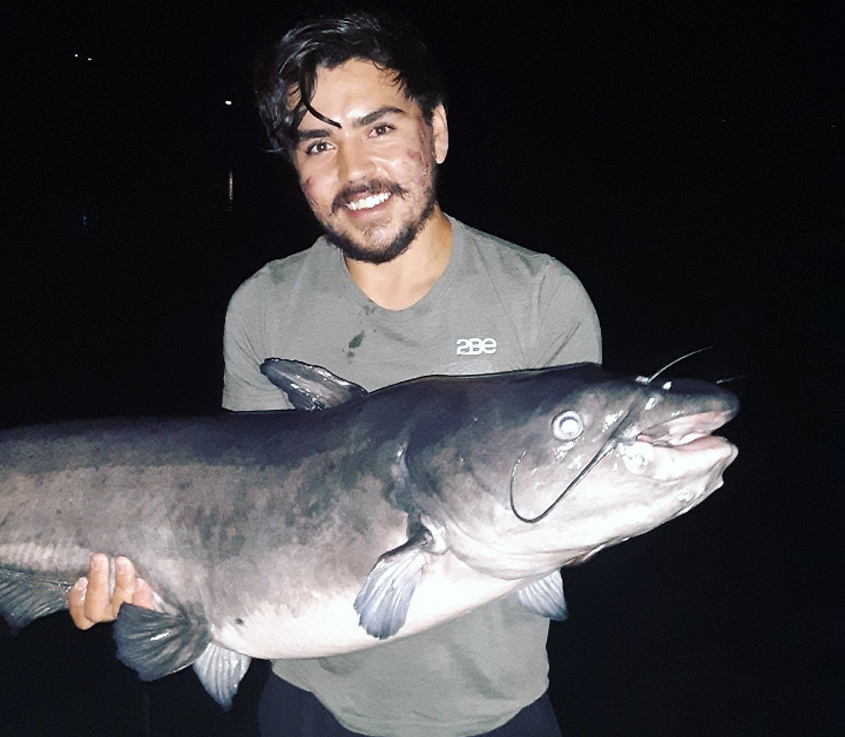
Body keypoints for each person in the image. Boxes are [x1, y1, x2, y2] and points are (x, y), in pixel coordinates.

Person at [68, 11, 601, 737]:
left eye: (379, 129)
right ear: (296, 165)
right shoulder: (263, 307)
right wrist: (144, 589)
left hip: (496, 709)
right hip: (311, 708)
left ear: (435, 131)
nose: (355, 173)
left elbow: (576, 500)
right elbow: (234, 515)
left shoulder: (541, 299)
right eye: (320, 143)